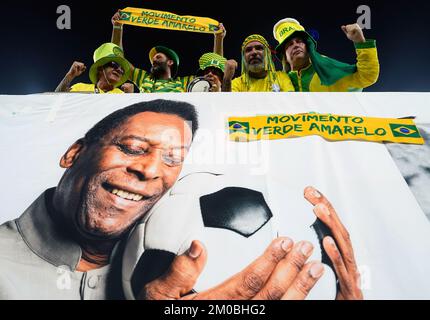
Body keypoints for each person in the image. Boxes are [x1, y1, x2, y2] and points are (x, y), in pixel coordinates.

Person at [0, 99, 362, 300]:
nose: (150, 170)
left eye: (173, 159)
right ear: (74, 154)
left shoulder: (185, 240)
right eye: (133, 148)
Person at [111, 11, 226, 93]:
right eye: (153, 60)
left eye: (158, 57)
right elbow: (118, 59)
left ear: (170, 62)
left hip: (174, 122)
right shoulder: (143, 78)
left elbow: (215, 66)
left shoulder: (184, 82)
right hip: (148, 122)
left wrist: (218, 38)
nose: (154, 60)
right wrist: (117, 28)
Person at [272, 18, 380, 92]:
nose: (295, 45)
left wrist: (360, 42)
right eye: (289, 44)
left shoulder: (327, 72)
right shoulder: (279, 82)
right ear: (284, 55)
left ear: (308, 46)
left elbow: (366, 76)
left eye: (299, 41)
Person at [222, 34, 295, 92]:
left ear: (268, 54)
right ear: (243, 58)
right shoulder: (237, 83)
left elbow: (291, 104)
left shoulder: (281, 77)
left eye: (259, 48)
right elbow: (226, 107)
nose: (254, 52)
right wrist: (227, 79)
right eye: (248, 50)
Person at [55, 42, 133, 94]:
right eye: (114, 64)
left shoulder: (122, 95)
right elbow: (57, 100)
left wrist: (130, 98)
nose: (119, 70)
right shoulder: (80, 88)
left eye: (122, 69)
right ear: (100, 69)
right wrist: (70, 75)